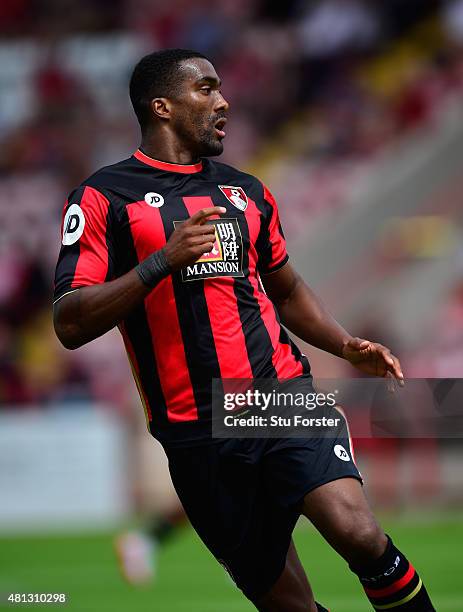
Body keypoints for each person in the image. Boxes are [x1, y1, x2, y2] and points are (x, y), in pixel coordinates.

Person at [53, 49, 435, 611]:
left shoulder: (246, 192)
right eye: (205, 89)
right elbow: (69, 320)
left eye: (221, 88)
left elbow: (287, 288)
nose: (223, 101)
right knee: (288, 604)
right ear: (161, 106)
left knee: (358, 533)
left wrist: (343, 343)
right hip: (195, 428)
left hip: (278, 396)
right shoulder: (105, 197)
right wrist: (161, 261)